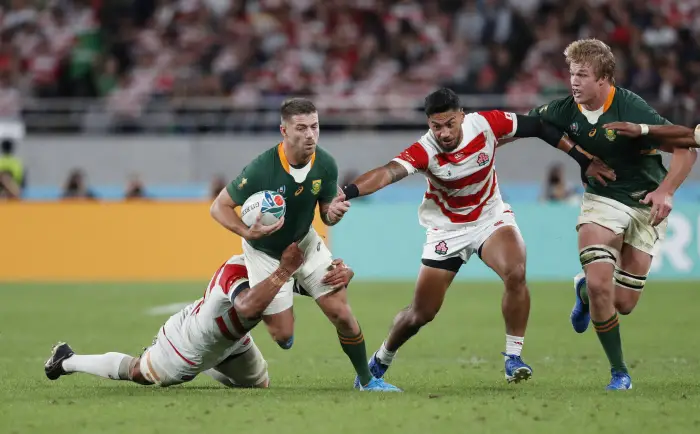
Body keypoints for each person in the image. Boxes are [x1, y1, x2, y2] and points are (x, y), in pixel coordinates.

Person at [340, 87, 614, 386]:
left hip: (490, 217)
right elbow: (386, 172)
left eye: (449, 124)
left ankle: (513, 357)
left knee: (516, 271)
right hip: (447, 229)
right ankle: (381, 360)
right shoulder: (425, 150)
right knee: (421, 314)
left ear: (462, 116)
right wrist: (348, 193)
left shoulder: (486, 124)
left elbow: (537, 126)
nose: (443, 133)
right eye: (436, 126)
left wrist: (581, 158)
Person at [526, 39, 697, 390]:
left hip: (644, 202)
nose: (574, 81)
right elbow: (528, 125)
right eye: (572, 73)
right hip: (601, 200)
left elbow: (685, 147)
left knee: (624, 302)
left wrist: (666, 190)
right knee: (603, 282)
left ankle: (584, 292)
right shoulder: (564, 109)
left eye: (582, 75)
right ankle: (620, 373)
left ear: (604, 79)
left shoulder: (630, 108)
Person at [210, 98, 400, 392]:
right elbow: (219, 206)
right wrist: (246, 232)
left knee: (343, 315)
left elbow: (326, 211)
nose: (310, 134)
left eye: (315, 126)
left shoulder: (325, 164)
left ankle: (367, 380)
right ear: (284, 131)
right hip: (266, 254)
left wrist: (332, 214)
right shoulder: (262, 168)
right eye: (301, 128)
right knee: (284, 338)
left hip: (305, 244)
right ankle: (294, 286)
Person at [44, 244, 355, 388]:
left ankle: (211, 366)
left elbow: (298, 285)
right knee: (140, 374)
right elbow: (248, 304)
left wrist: (337, 276)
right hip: (188, 343)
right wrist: (286, 269)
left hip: (233, 342)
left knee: (258, 388)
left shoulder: (272, 265)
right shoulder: (233, 270)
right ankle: (66, 359)